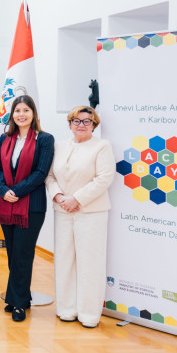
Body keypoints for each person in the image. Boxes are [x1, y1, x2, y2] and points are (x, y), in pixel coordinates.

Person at [45, 105, 115, 328]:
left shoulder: (102, 146)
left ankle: (89, 314)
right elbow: (49, 175)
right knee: (64, 261)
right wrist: (58, 196)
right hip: (62, 210)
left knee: (89, 262)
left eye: (87, 121)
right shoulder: (60, 146)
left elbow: (104, 178)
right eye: (77, 121)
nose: (81, 125)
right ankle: (66, 309)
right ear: (70, 124)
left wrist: (76, 198)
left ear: (94, 124)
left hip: (90, 212)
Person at [0, 95, 55, 323]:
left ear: (33, 114)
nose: (21, 114)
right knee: (12, 254)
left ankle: (18, 304)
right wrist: (3, 190)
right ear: (12, 115)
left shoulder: (45, 139)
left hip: (31, 206)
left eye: (26, 110)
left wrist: (16, 191)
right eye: (17, 110)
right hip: (6, 204)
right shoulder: (4, 139)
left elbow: (41, 173)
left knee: (23, 254)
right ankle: (21, 296)